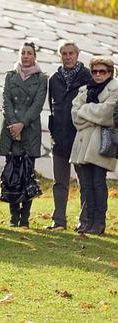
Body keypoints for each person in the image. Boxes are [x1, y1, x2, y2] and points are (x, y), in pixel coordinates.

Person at [0, 42, 47, 228]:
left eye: (29, 53)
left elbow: (38, 104)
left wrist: (22, 125)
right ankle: (13, 216)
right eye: (23, 53)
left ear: (35, 56)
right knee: (11, 173)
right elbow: (6, 101)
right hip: (11, 131)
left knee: (27, 174)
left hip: (29, 131)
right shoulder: (10, 76)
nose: (26, 56)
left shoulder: (42, 78)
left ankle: (25, 217)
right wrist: (13, 126)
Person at [70, 56, 118, 235]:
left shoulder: (115, 89)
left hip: (101, 143)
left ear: (109, 73)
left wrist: (85, 111)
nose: (98, 75)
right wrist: (91, 115)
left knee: (98, 182)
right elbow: (74, 114)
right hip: (84, 143)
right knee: (87, 184)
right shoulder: (85, 89)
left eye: (102, 71)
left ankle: (99, 222)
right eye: (95, 71)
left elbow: (108, 114)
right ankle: (88, 221)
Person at [46, 41, 91, 231]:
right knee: (59, 182)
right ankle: (59, 221)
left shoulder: (87, 76)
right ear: (60, 56)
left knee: (85, 182)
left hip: (80, 137)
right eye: (64, 53)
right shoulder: (54, 79)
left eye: (71, 53)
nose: (68, 57)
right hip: (60, 138)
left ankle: (85, 221)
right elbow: (52, 106)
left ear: (78, 54)